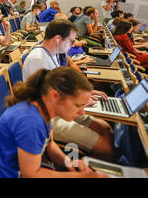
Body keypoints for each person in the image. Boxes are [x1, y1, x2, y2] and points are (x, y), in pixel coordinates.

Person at [0, 67, 108, 178]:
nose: (83, 113)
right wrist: (81, 176)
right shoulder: (30, 121)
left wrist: (68, 162)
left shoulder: (42, 108)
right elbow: (31, 174)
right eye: (78, 105)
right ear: (55, 96)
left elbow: (50, 145)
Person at [22, 19, 114, 160]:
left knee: (104, 127)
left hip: (59, 109)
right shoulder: (38, 59)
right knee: (104, 146)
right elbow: (47, 99)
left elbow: (59, 86)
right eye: (71, 41)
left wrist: (82, 94)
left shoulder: (52, 53)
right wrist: (79, 102)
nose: (72, 45)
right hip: (47, 117)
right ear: (58, 39)